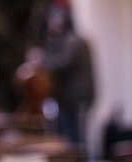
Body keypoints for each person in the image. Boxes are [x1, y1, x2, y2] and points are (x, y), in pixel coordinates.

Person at [41, 4, 95, 146]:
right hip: (71, 97)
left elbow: (63, 63)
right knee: (71, 133)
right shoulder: (70, 41)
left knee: (76, 134)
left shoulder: (73, 42)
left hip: (77, 97)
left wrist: (43, 62)